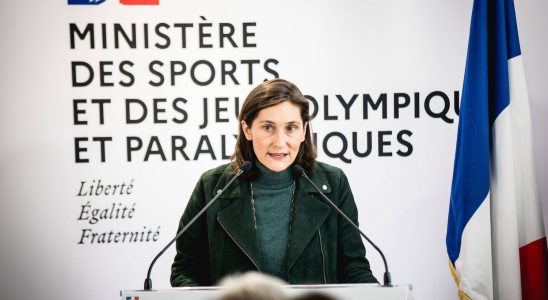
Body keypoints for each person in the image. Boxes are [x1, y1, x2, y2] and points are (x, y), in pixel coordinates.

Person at [171, 78, 378, 286]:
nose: (280, 142)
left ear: (304, 130)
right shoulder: (212, 187)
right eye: (268, 127)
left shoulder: (333, 183)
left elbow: (354, 269)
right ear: (247, 129)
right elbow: (185, 272)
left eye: (291, 128)